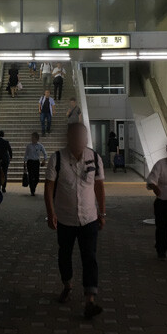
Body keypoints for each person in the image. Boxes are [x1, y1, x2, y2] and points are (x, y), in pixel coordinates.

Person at [45, 123, 106, 319]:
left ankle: (90, 299)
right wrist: (51, 213)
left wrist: (102, 213)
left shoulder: (94, 158)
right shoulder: (57, 159)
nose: (80, 140)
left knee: (90, 257)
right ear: (69, 138)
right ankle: (67, 284)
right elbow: (48, 189)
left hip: (89, 217)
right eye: (76, 137)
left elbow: (99, 187)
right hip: (65, 218)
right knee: (65, 254)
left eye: (83, 137)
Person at [23, 132, 47, 196]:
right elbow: (26, 154)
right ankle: (32, 190)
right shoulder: (29, 146)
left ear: (37, 139)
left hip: (36, 162)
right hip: (30, 162)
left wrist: (44, 160)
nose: (32, 139)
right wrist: (24, 162)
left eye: (33, 138)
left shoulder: (40, 146)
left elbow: (45, 153)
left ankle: (34, 186)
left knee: (37, 177)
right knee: (30, 176)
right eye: (32, 137)